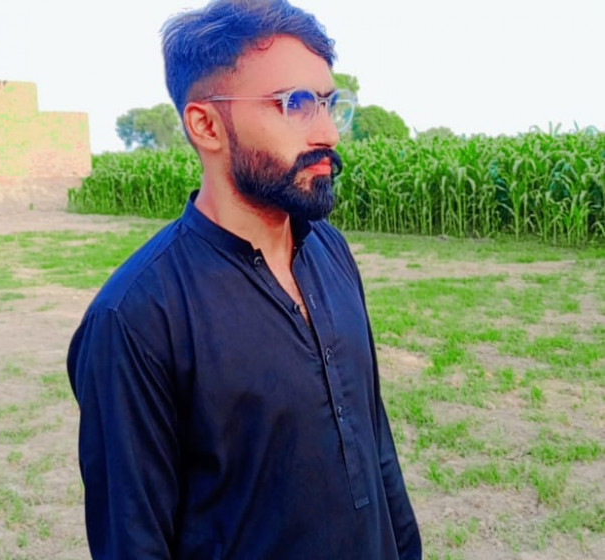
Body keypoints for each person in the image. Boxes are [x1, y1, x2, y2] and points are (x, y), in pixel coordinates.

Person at [67, 0, 422, 558]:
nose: (328, 132)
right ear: (206, 125)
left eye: (328, 103)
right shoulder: (135, 319)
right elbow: (133, 540)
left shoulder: (329, 249)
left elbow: (375, 445)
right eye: (294, 104)